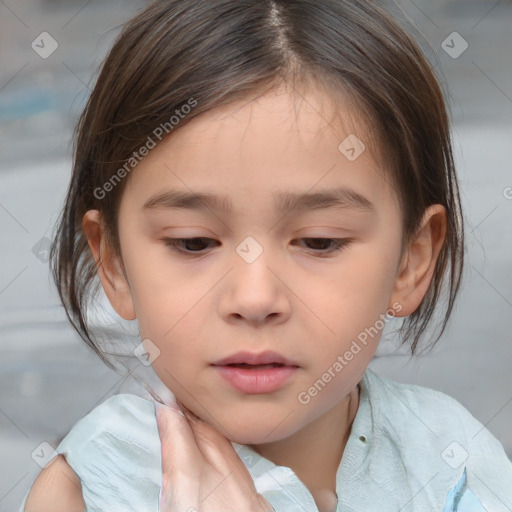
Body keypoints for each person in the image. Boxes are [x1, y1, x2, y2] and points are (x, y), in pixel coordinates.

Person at [19, 0, 512, 511]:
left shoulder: (456, 460)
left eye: (320, 241)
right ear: (114, 264)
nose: (255, 299)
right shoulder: (90, 489)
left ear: (411, 261)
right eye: (193, 242)